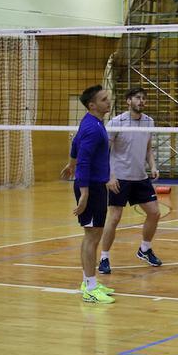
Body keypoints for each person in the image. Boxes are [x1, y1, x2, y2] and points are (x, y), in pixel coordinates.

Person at [98, 87, 163, 275]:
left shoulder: (149, 122)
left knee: (154, 213)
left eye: (144, 98)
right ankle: (104, 257)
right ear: (128, 101)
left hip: (140, 177)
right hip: (119, 178)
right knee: (115, 218)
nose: (141, 101)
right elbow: (105, 152)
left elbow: (148, 148)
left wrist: (153, 166)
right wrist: (109, 176)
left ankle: (144, 249)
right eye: (137, 98)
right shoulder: (117, 122)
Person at [60, 84, 116, 303]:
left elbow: (75, 145)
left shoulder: (93, 122)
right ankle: (90, 288)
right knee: (91, 237)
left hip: (95, 186)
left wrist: (70, 164)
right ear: (92, 105)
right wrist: (83, 193)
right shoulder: (93, 128)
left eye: (108, 98)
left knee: (94, 235)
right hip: (90, 187)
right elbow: (83, 160)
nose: (108, 102)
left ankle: (88, 281)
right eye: (103, 99)